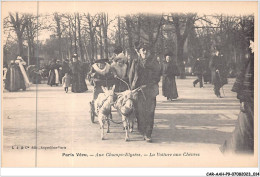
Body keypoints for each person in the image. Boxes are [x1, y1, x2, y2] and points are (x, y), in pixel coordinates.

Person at [220, 40, 254, 154]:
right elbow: (246, 81)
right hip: (251, 100)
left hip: (251, 99)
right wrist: (243, 99)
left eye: (252, 42)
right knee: (246, 128)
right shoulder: (252, 61)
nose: (250, 45)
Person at [129, 42, 161, 142]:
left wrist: (149, 84)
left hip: (150, 90)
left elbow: (157, 76)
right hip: (138, 91)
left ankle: (148, 134)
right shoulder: (135, 61)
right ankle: (142, 130)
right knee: (139, 112)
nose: (145, 52)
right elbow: (131, 75)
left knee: (150, 112)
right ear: (139, 51)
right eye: (143, 50)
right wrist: (133, 88)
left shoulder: (154, 62)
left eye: (147, 50)